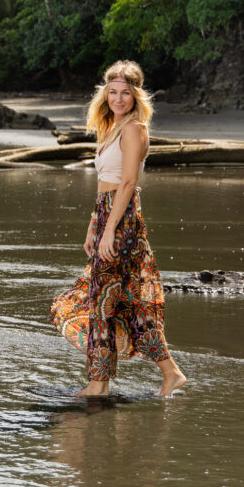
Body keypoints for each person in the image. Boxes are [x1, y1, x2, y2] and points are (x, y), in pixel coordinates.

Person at [50, 60, 186, 398]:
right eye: (113, 92)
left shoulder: (133, 129)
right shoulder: (111, 126)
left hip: (122, 221)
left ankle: (99, 385)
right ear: (105, 94)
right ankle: (170, 373)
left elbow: (127, 183)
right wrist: (92, 227)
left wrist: (109, 231)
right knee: (122, 303)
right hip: (107, 216)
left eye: (126, 93)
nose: (119, 98)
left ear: (136, 96)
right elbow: (103, 185)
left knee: (101, 302)